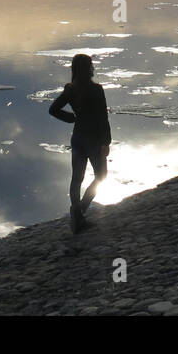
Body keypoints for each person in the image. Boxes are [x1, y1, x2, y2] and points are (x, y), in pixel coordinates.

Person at [48, 54, 111, 233]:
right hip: (94, 139)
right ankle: (80, 211)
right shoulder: (96, 89)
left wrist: (72, 118)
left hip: (78, 138)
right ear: (89, 68)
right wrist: (106, 142)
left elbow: (53, 110)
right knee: (101, 176)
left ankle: (77, 214)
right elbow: (102, 118)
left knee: (77, 178)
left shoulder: (71, 89)